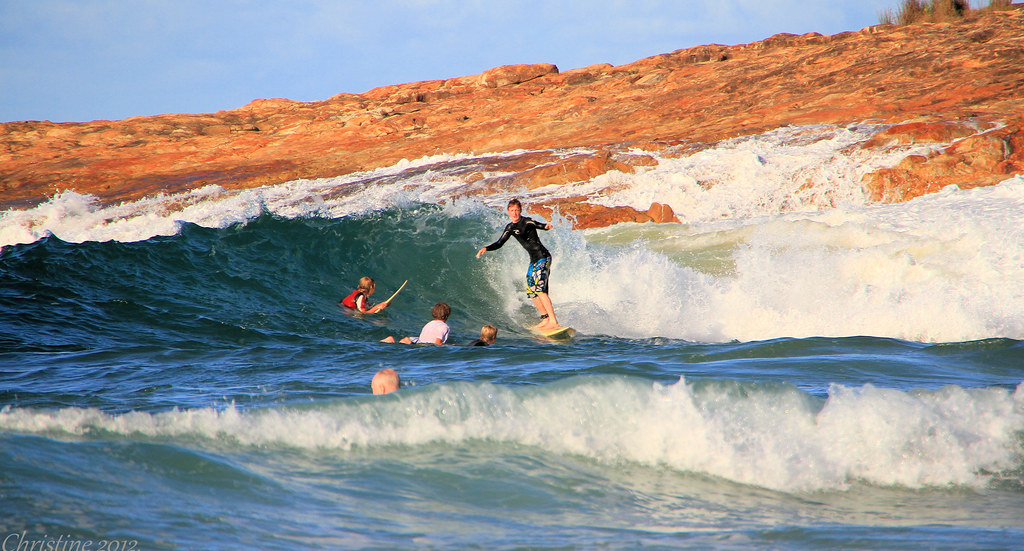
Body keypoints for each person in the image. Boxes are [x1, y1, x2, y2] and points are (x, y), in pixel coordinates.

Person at [476, 198, 560, 331]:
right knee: (531, 291)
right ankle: (545, 319)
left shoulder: (526, 221)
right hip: (534, 260)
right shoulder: (510, 228)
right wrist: (486, 248)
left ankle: (553, 321)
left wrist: (545, 226)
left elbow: (537, 224)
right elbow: (499, 243)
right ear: (508, 211)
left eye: (517, 210)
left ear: (520, 211)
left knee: (540, 290)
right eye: (512, 210)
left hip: (543, 257)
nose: (515, 213)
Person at [380, 301, 451, 345]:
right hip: (424, 346)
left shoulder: (430, 323)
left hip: (419, 341)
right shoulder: (444, 327)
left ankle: (398, 341)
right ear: (447, 315)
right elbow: (438, 342)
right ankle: (395, 341)